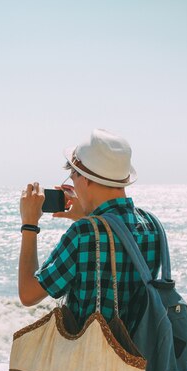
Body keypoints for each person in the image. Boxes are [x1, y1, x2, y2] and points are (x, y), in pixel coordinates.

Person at [18, 128, 160, 335]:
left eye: (73, 175)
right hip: (139, 360)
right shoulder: (151, 224)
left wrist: (29, 224)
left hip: (91, 361)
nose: (72, 182)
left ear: (86, 178)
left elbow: (28, 294)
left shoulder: (84, 233)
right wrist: (88, 217)